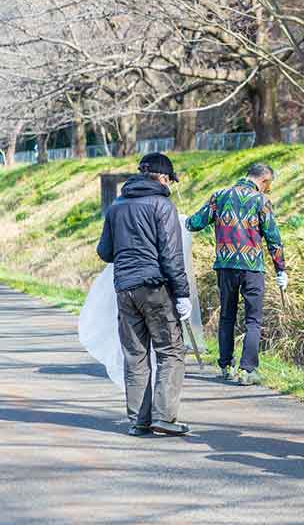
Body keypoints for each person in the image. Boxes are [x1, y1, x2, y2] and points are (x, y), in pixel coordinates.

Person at [96, 152, 192, 437]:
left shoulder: (117, 205)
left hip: (124, 289)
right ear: (162, 177)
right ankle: (164, 417)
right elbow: (171, 255)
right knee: (170, 350)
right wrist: (183, 294)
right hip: (156, 287)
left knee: (135, 355)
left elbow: (104, 252)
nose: (170, 184)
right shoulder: (162, 205)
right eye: (169, 179)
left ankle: (139, 420)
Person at [186, 163, 287, 386]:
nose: (268, 189)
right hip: (252, 268)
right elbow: (273, 238)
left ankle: (225, 366)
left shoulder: (219, 196)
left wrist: (183, 219)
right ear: (264, 180)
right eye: (269, 185)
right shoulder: (261, 201)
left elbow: (195, 223)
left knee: (227, 316)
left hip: (225, 266)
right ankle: (247, 371)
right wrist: (281, 269)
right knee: (253, 320)